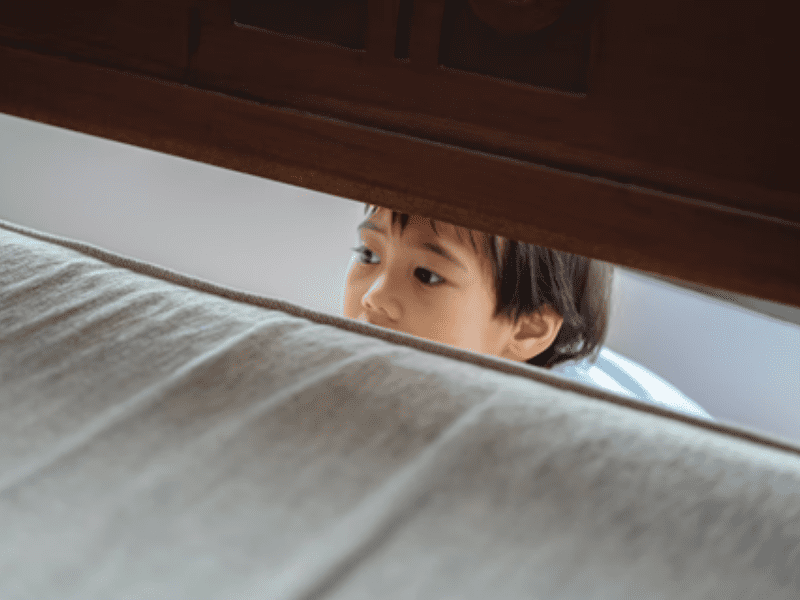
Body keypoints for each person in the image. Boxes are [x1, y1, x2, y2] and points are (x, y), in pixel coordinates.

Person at [342, 204, 712, 420]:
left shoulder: (562, 422)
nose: (374, 297)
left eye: (427, 275)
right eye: (368, 255)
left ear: (527, 330)